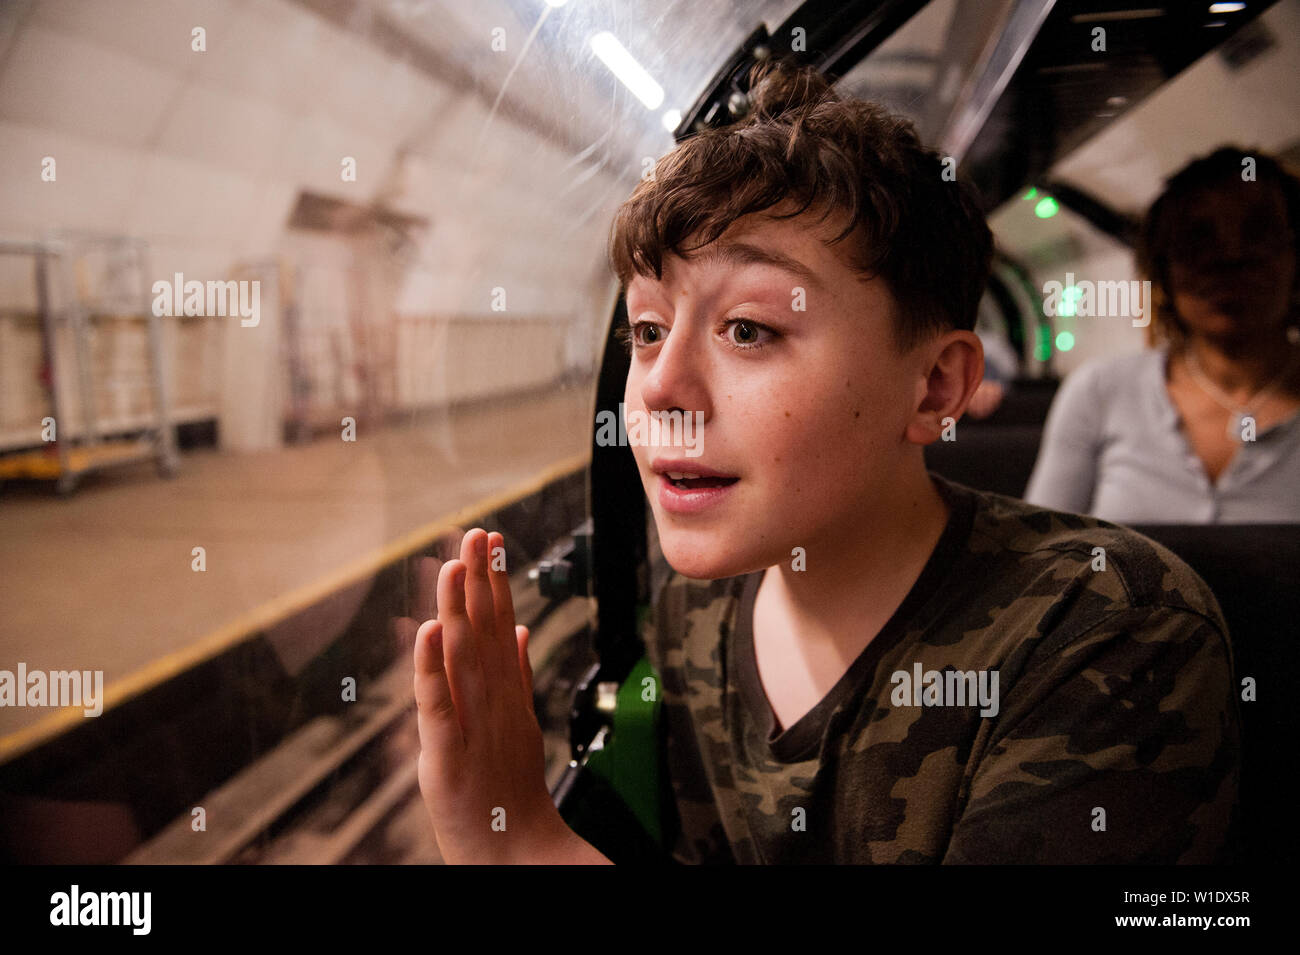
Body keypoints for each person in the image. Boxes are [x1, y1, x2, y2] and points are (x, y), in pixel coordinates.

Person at [410, 63, 1239, 864]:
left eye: (748, 329)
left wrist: (522, 847)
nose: (660, 386)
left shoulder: (1111, 635)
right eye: (648, 330)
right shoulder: (692, 615)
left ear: (934, 387)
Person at [1025, 146, 1300, 523]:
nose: (1228, 263)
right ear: (1165, 270)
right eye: (1198, 241)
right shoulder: (1100, 390)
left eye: (1256, 237)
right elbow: (1042, 547)